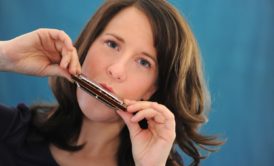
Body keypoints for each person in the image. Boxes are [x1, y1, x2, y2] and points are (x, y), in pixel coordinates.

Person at [0, 0, 223, 165]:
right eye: (112, 44)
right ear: (86, 46)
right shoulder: (9, 130)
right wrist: (6, 55)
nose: (116, 70)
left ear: (153, 89)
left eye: (143, 62)